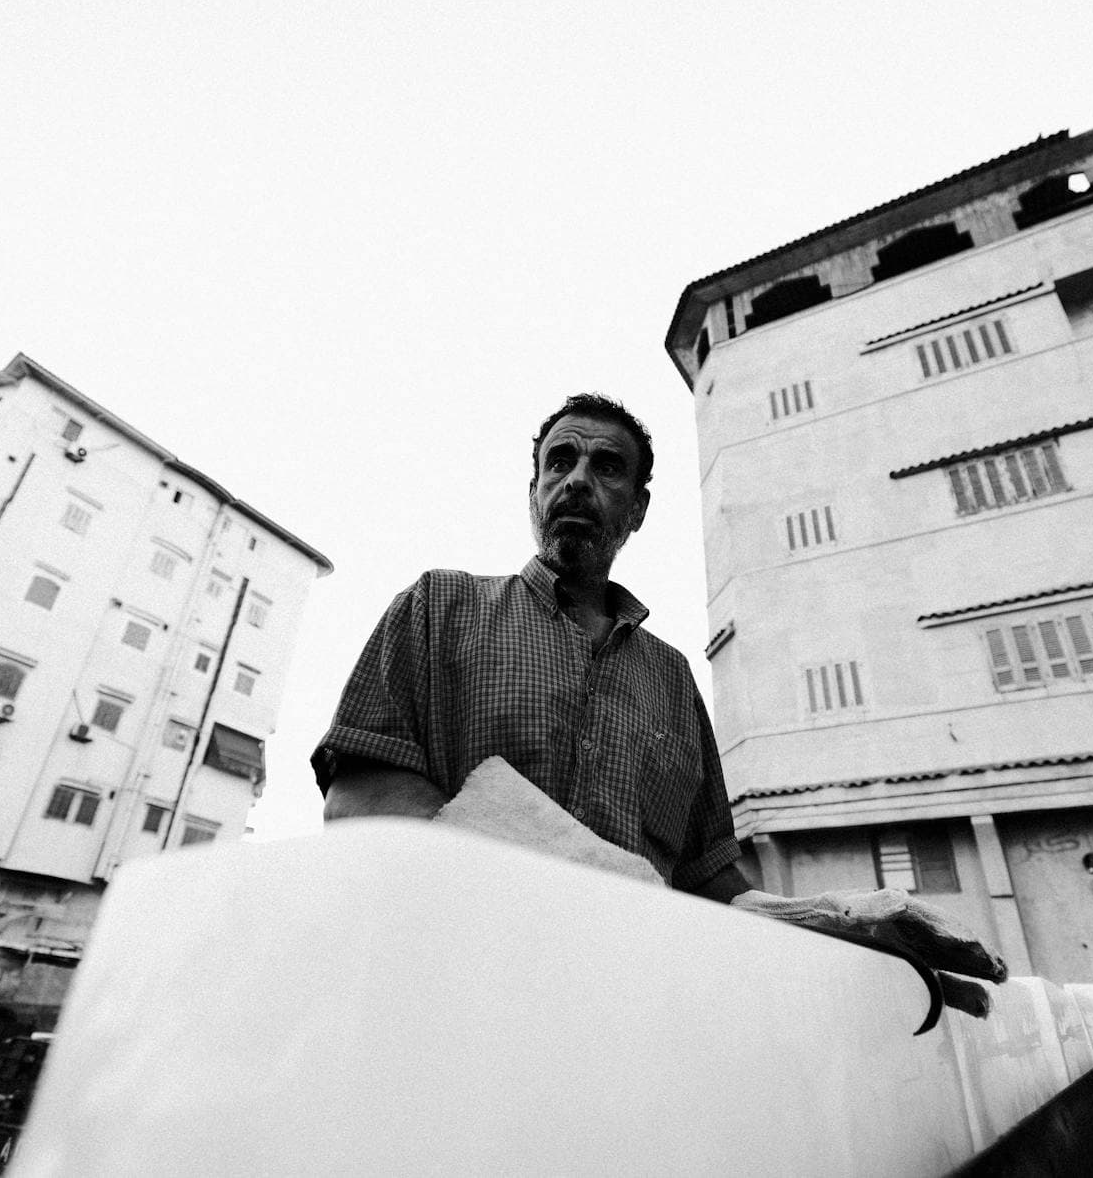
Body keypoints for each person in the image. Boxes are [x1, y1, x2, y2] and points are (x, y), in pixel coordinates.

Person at [313, 393, 1005, 1014]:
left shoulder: (673, 679)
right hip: (445, 1000)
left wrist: (843, 928)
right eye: (560, 461)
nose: (577, 479)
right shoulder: (439, 607)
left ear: (638, 509)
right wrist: (602, 894)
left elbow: (712, 887)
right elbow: (362, 803)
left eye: (608, 467)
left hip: (633, 1023)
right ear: (534, 491)